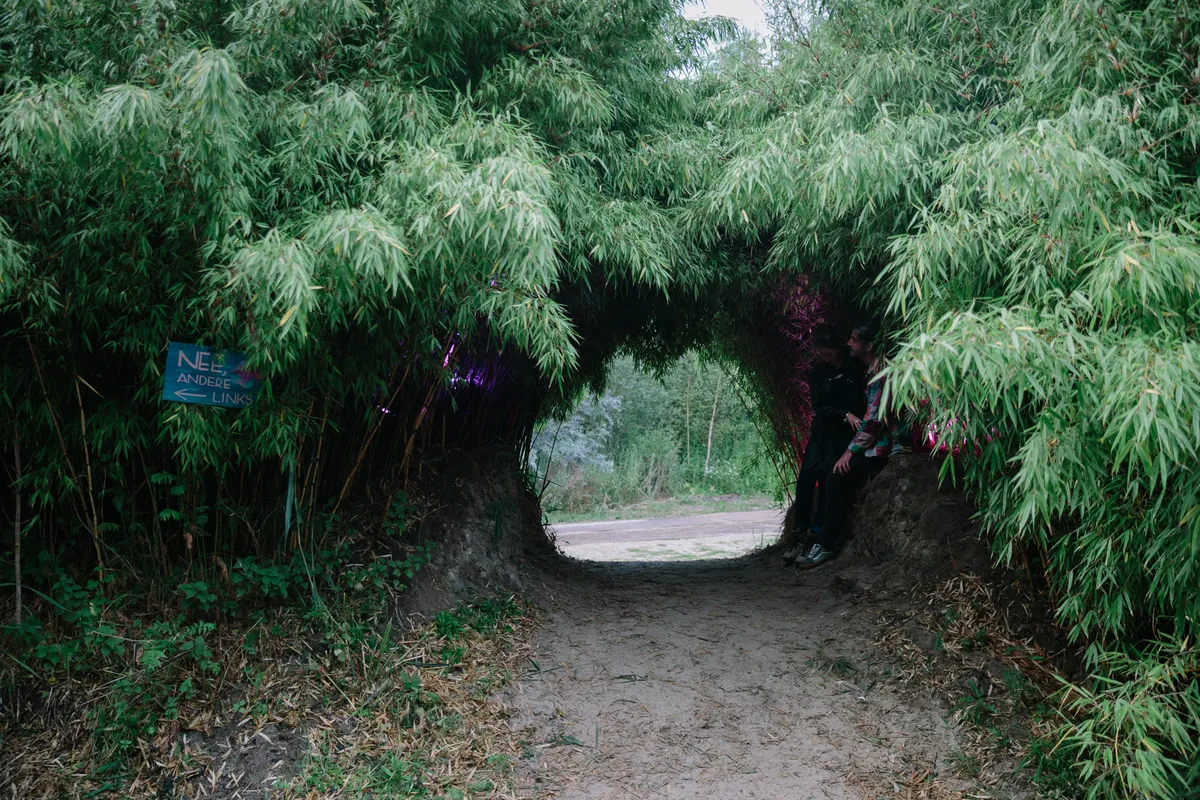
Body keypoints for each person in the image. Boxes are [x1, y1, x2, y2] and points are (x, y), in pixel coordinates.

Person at [794, 321, 890, 569]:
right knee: (810, 479)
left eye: (854, 339)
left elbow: (873, 420)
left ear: (868, 345)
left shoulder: (875, 372)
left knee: (834, 476)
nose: (849, 343)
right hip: (833, 435)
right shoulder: (863, 370)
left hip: (879, 441)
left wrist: (850, 451)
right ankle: (805, 536)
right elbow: (821, 407)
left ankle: (825, 543)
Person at [781, 328, 865, 564]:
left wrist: (851, 417)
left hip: (845, 436)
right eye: (822, 354)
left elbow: (861, 401)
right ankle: (800, 534)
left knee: (830, 479)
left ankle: (816, 536)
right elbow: (818, 407)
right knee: (806, 480)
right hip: (822, 433)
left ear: (838, 348)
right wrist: (843, 414)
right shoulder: (818, 372)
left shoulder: (855, 369)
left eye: (829, 353)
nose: (826, 358)